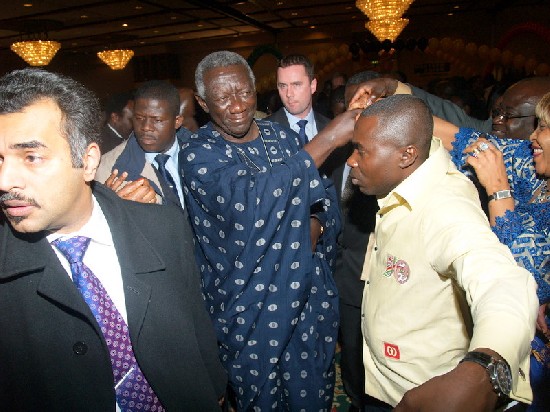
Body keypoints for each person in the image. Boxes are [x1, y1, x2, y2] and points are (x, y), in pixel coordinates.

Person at [0, 67, 226, 410]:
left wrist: (214, 389)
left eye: (31, 157)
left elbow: (196, 326)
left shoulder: (163, 226)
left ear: (88, 161)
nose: (5, 181)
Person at [350, 77, 550, 410]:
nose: (531, 135)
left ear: (406, 155)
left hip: (437, 386)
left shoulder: (446, 207)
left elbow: (503, 278)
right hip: (386, 384)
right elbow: (457, 134)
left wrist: (484, 369)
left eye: (541, 126)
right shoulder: (526, 163)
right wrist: (394, 86)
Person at [181, 50, 358, 411]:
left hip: (308, 301)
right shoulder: (198, 152)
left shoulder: (281, 136)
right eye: (222, 97)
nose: (236, 106)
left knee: (313, 394)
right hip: (249, 311)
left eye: (244, 93)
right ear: (202, 102)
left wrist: (313, 227)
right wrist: (327, 140)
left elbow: (323, 196)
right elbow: (246, 202)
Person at [331, 70, 382, 412]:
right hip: (342, 276)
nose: (358, 110)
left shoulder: (396, 158)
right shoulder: (335, 154)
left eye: (367, 102)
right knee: (350, 349)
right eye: (352, 103)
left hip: (383, 277)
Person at [96, 80, 186, 209]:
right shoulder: (107, 168)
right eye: (139, 118)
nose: (146, 127)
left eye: (157, 120)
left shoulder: (203, 151)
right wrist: (113, 207)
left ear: (177, 121)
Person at [266, 54, 334, 176]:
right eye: (283, 86)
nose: (289, 94)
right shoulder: (264, 131)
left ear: (313, 86)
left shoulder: (331, 128)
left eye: (296, 85)